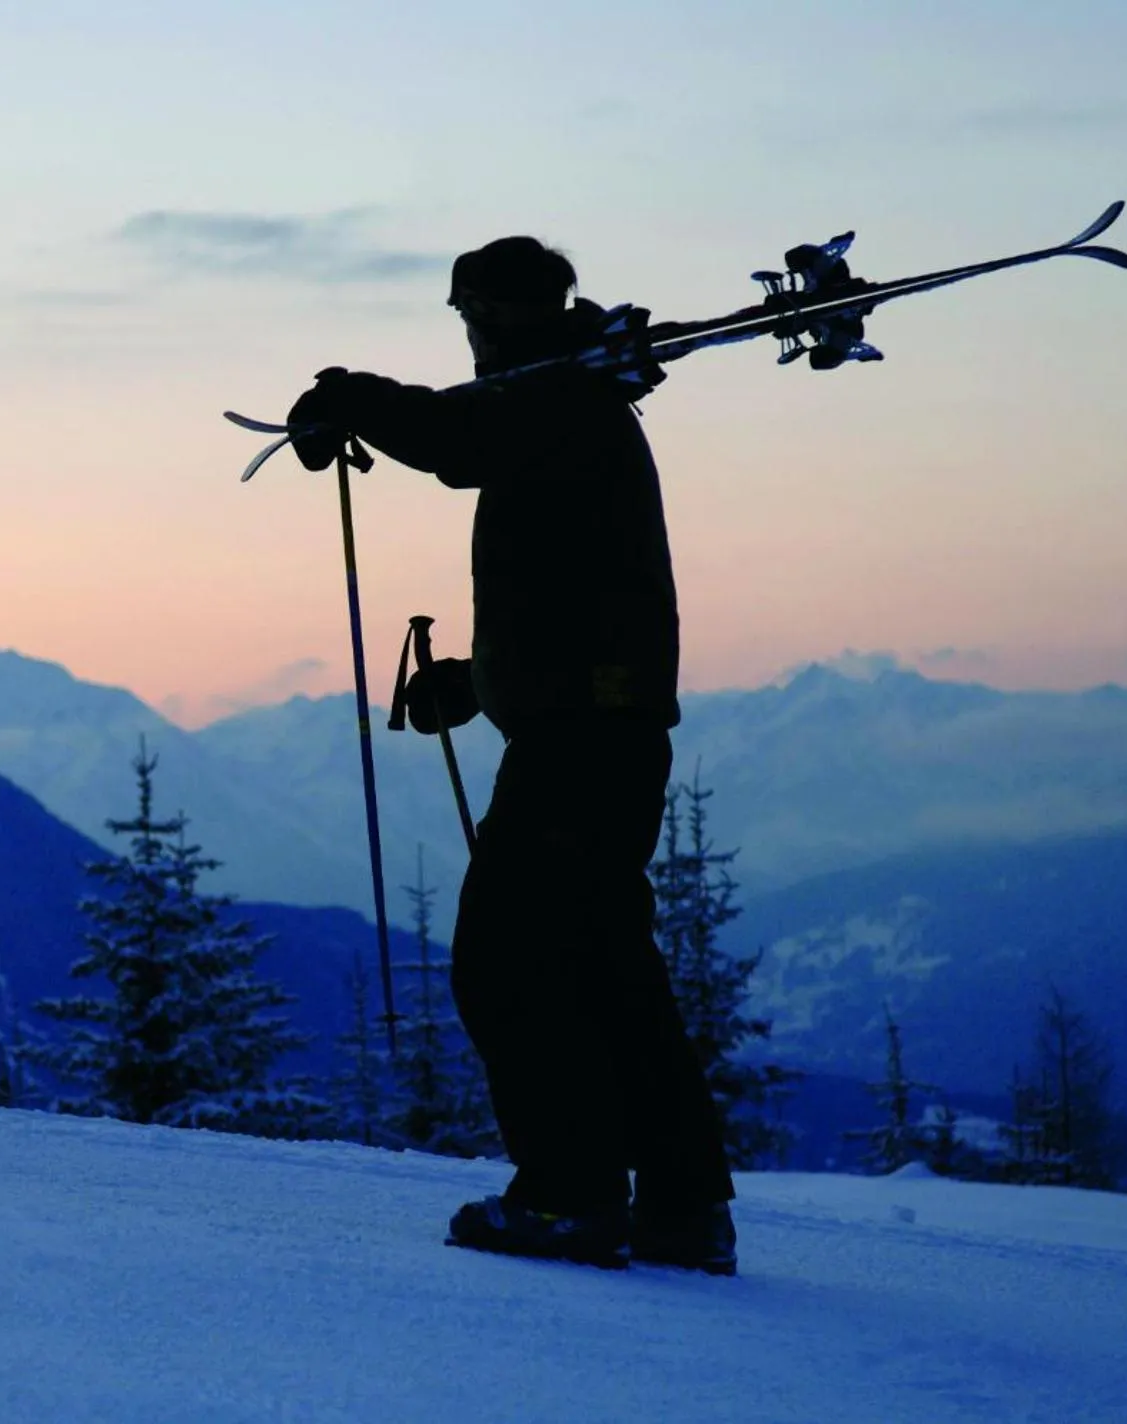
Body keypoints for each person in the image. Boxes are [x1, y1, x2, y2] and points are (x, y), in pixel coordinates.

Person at [284, 236, 738, 1274]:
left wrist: (353, 393)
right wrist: (479, 683)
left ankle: (568, 1198)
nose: (471, 335)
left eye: (472, 316)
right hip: (600, 730)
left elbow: (456, 440)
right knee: (608, 963)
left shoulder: (556, 403)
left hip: (576, 744)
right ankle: (679, 1205)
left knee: (508, 961)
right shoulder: (573, 405)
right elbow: (564, 594)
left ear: (500, 314)